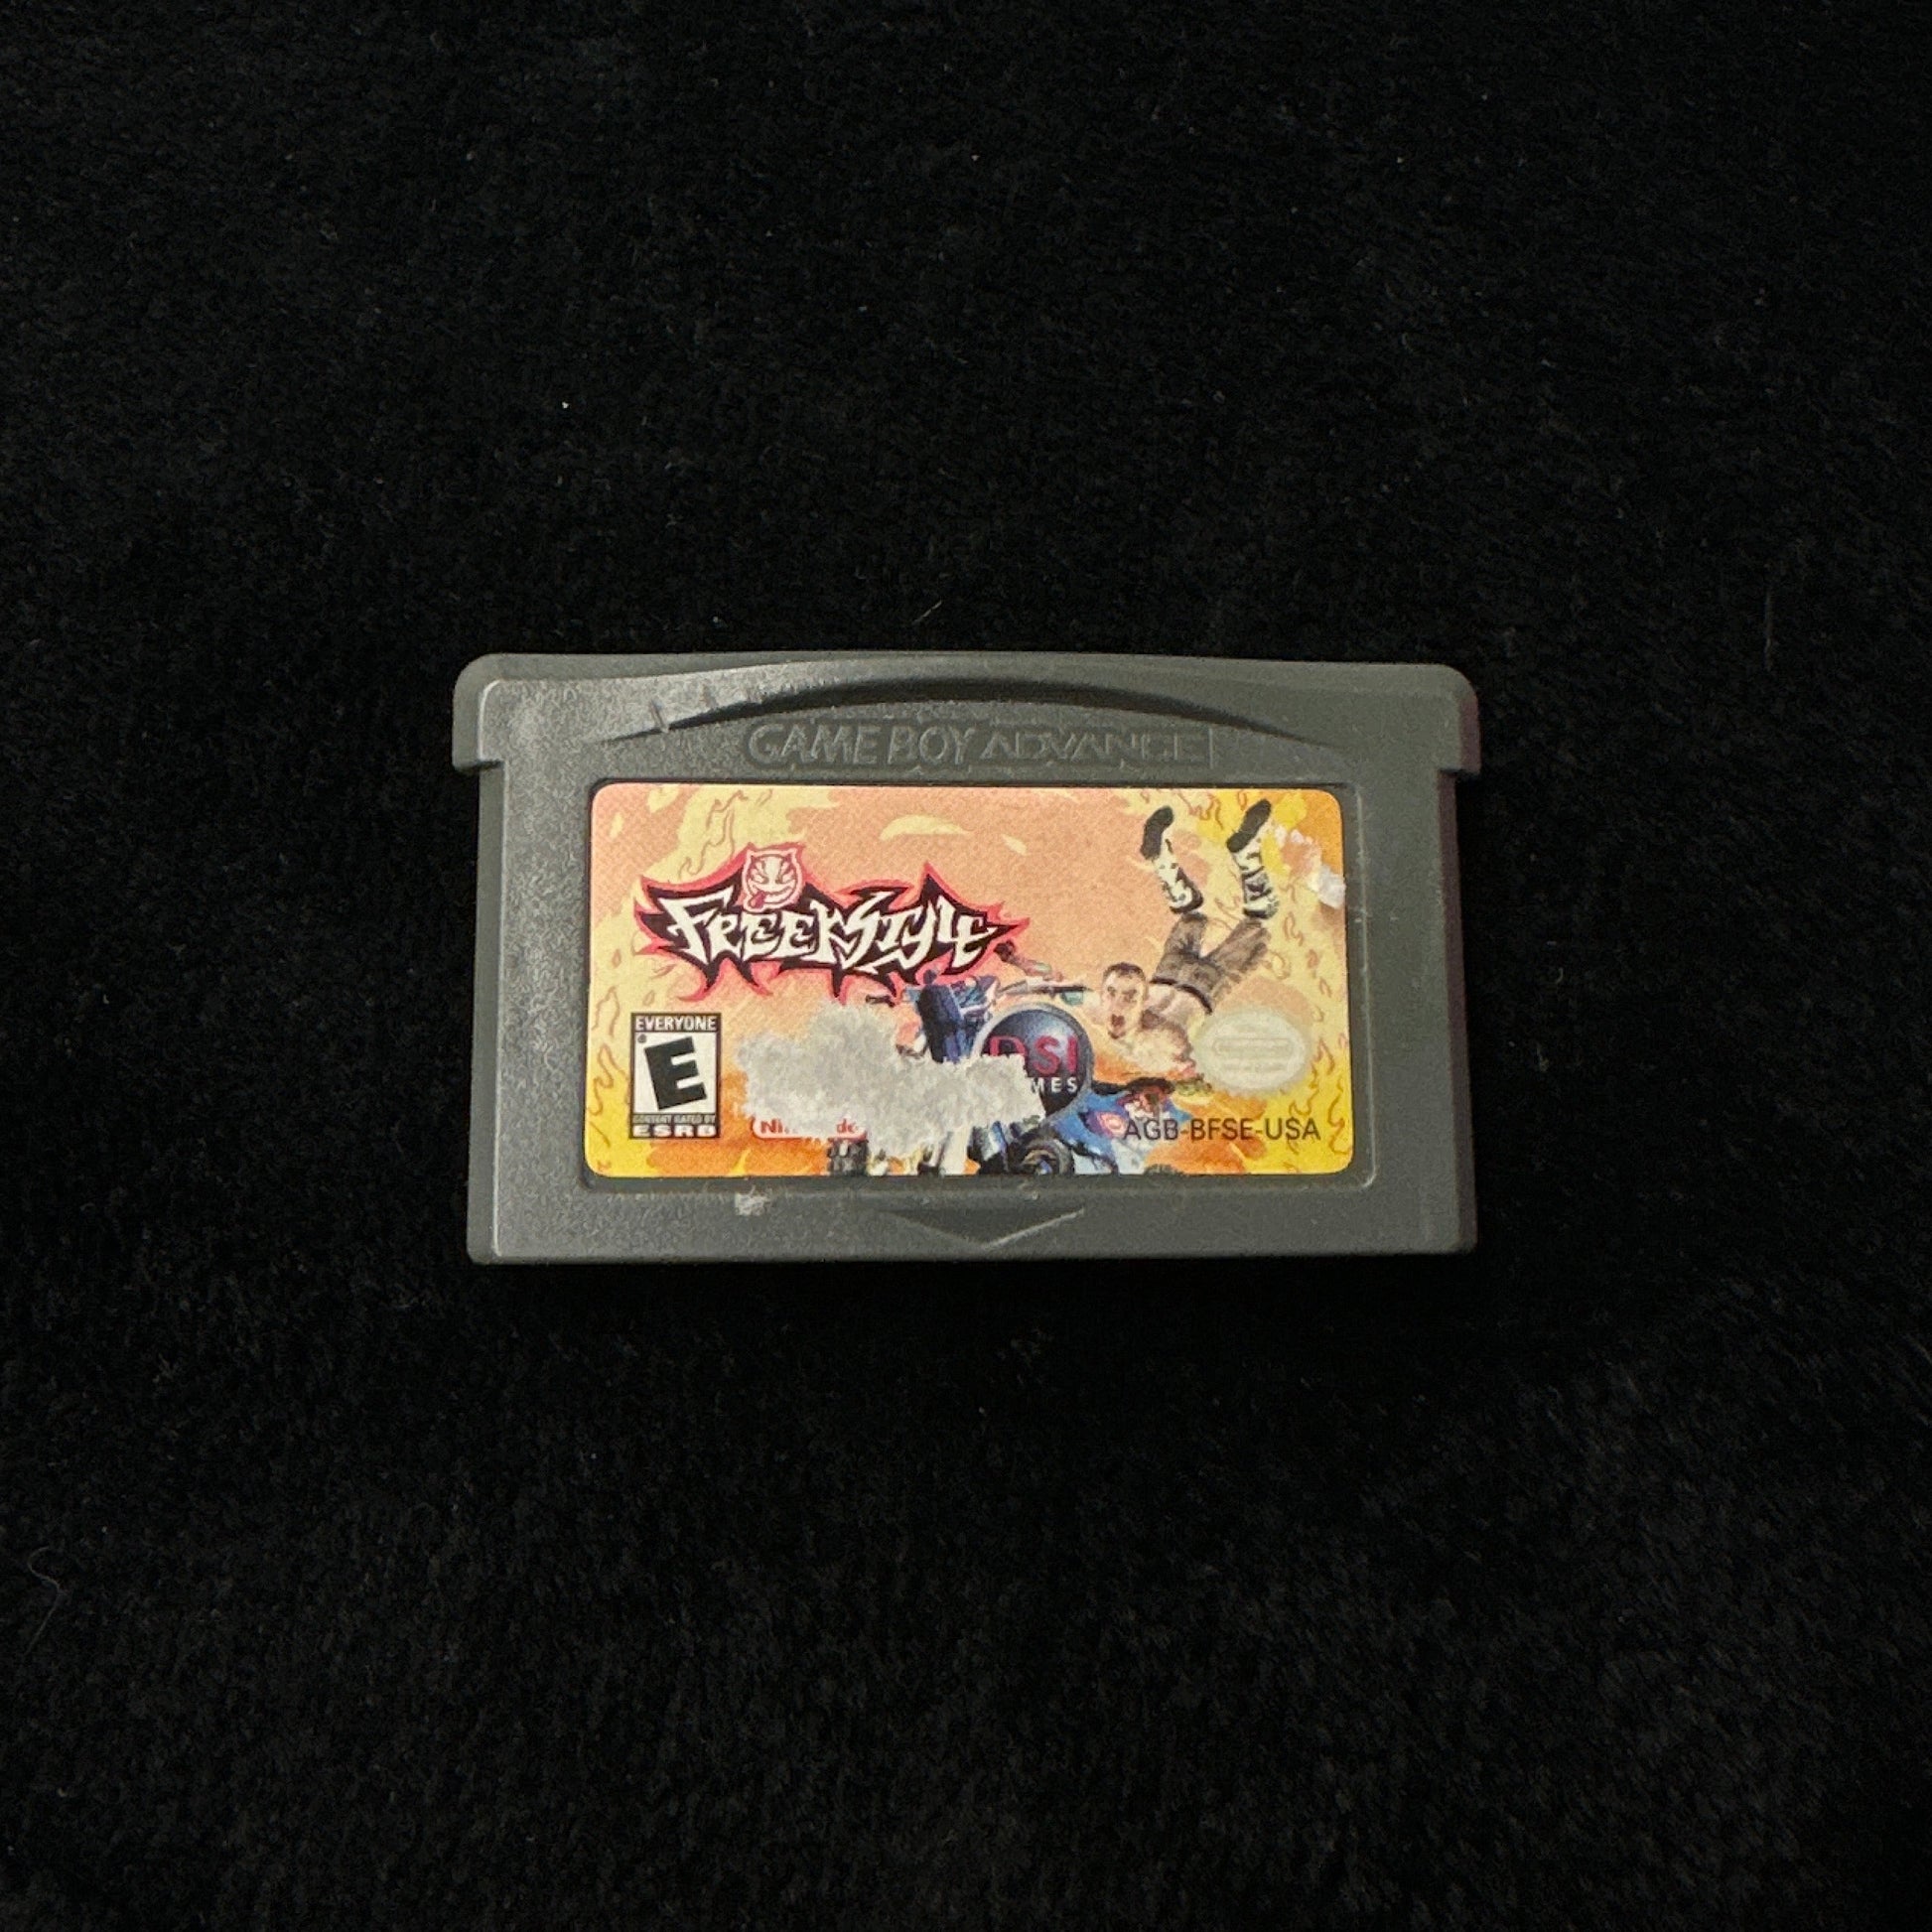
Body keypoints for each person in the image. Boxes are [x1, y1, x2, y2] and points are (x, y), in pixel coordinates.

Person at [1096, 801, 1278, 1078]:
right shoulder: (1111, 1022)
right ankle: (1163, 862)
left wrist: (1190, 1068)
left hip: (1202, 989)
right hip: (1167, 978)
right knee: (1191, 916)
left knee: (1259, 920)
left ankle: (1247, 856)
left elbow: (1186, 1057)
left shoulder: (1150, 1056)